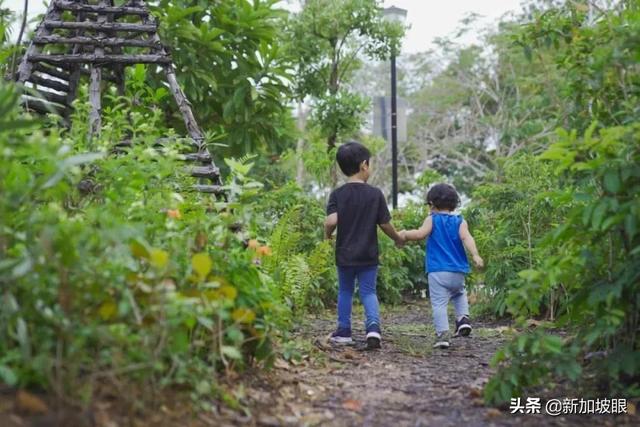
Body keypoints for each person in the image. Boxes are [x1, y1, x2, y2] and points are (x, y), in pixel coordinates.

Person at [324, 141, 405, 349]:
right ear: (364, 165)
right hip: (368, 254)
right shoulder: (375, 194)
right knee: (368, 291)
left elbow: (331, 221)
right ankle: (373, 329)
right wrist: (397, 238)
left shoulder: (337, 194)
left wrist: (327, 236)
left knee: (345, 291)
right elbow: (385, 224)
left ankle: (343, 331)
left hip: (345, 254)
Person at [400, 183, 484, 349]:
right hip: (458, 271)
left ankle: (442, 335)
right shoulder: (460, 221)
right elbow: (467, 238)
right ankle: (463, 319)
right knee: (459, 293)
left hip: (438, 270)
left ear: (431, 204)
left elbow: (419, 234)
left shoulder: (432, 219)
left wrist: (404, 234)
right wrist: (475, 255)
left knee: (439, 304)